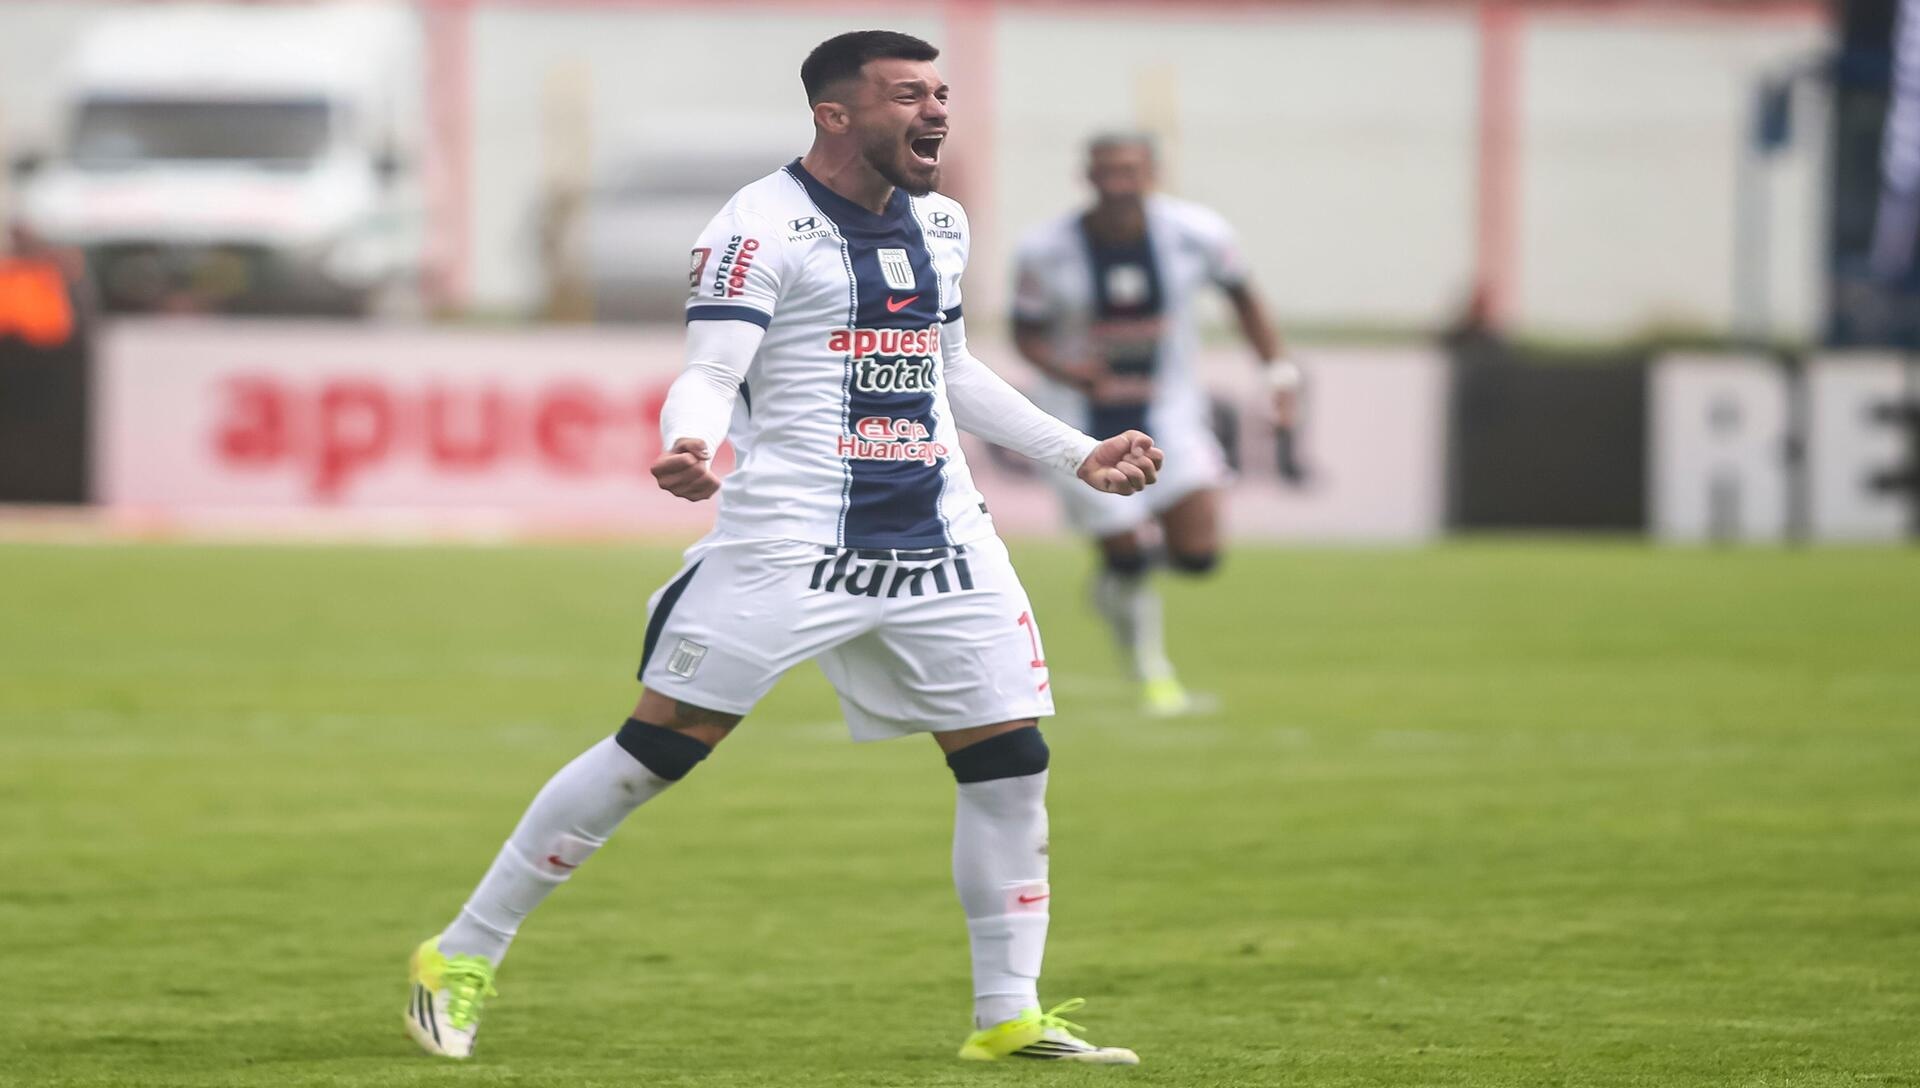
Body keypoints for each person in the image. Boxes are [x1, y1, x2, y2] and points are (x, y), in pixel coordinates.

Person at [403, 30, 1160, 1066]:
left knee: (1009, 759)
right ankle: (462, 949)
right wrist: (691, 440)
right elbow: (712, 369)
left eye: (941, 92)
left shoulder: (942, 221)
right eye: (909, 95)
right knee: (660, 749)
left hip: (942, 535)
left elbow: (952, 369)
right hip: (793, 537)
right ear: (836, 114)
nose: (937, 110)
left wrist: (1077, 453)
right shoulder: (757, 225)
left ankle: (1008, 1013)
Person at [1010, 134, 1300, 715]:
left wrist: (1278, 375)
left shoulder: (1199, 234)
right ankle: (1152, 673)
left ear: (1153, 173)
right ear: (1088, 176)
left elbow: (1245, 299)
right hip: (1079, 422)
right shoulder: (1044, 249)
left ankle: (1114, 583)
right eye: (1107, 170)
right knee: (1129, 553)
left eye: (1130, 169)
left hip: (1169, 412)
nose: (1119, 181)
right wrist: (1069, 371)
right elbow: (1025, 331)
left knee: (1199, 556)